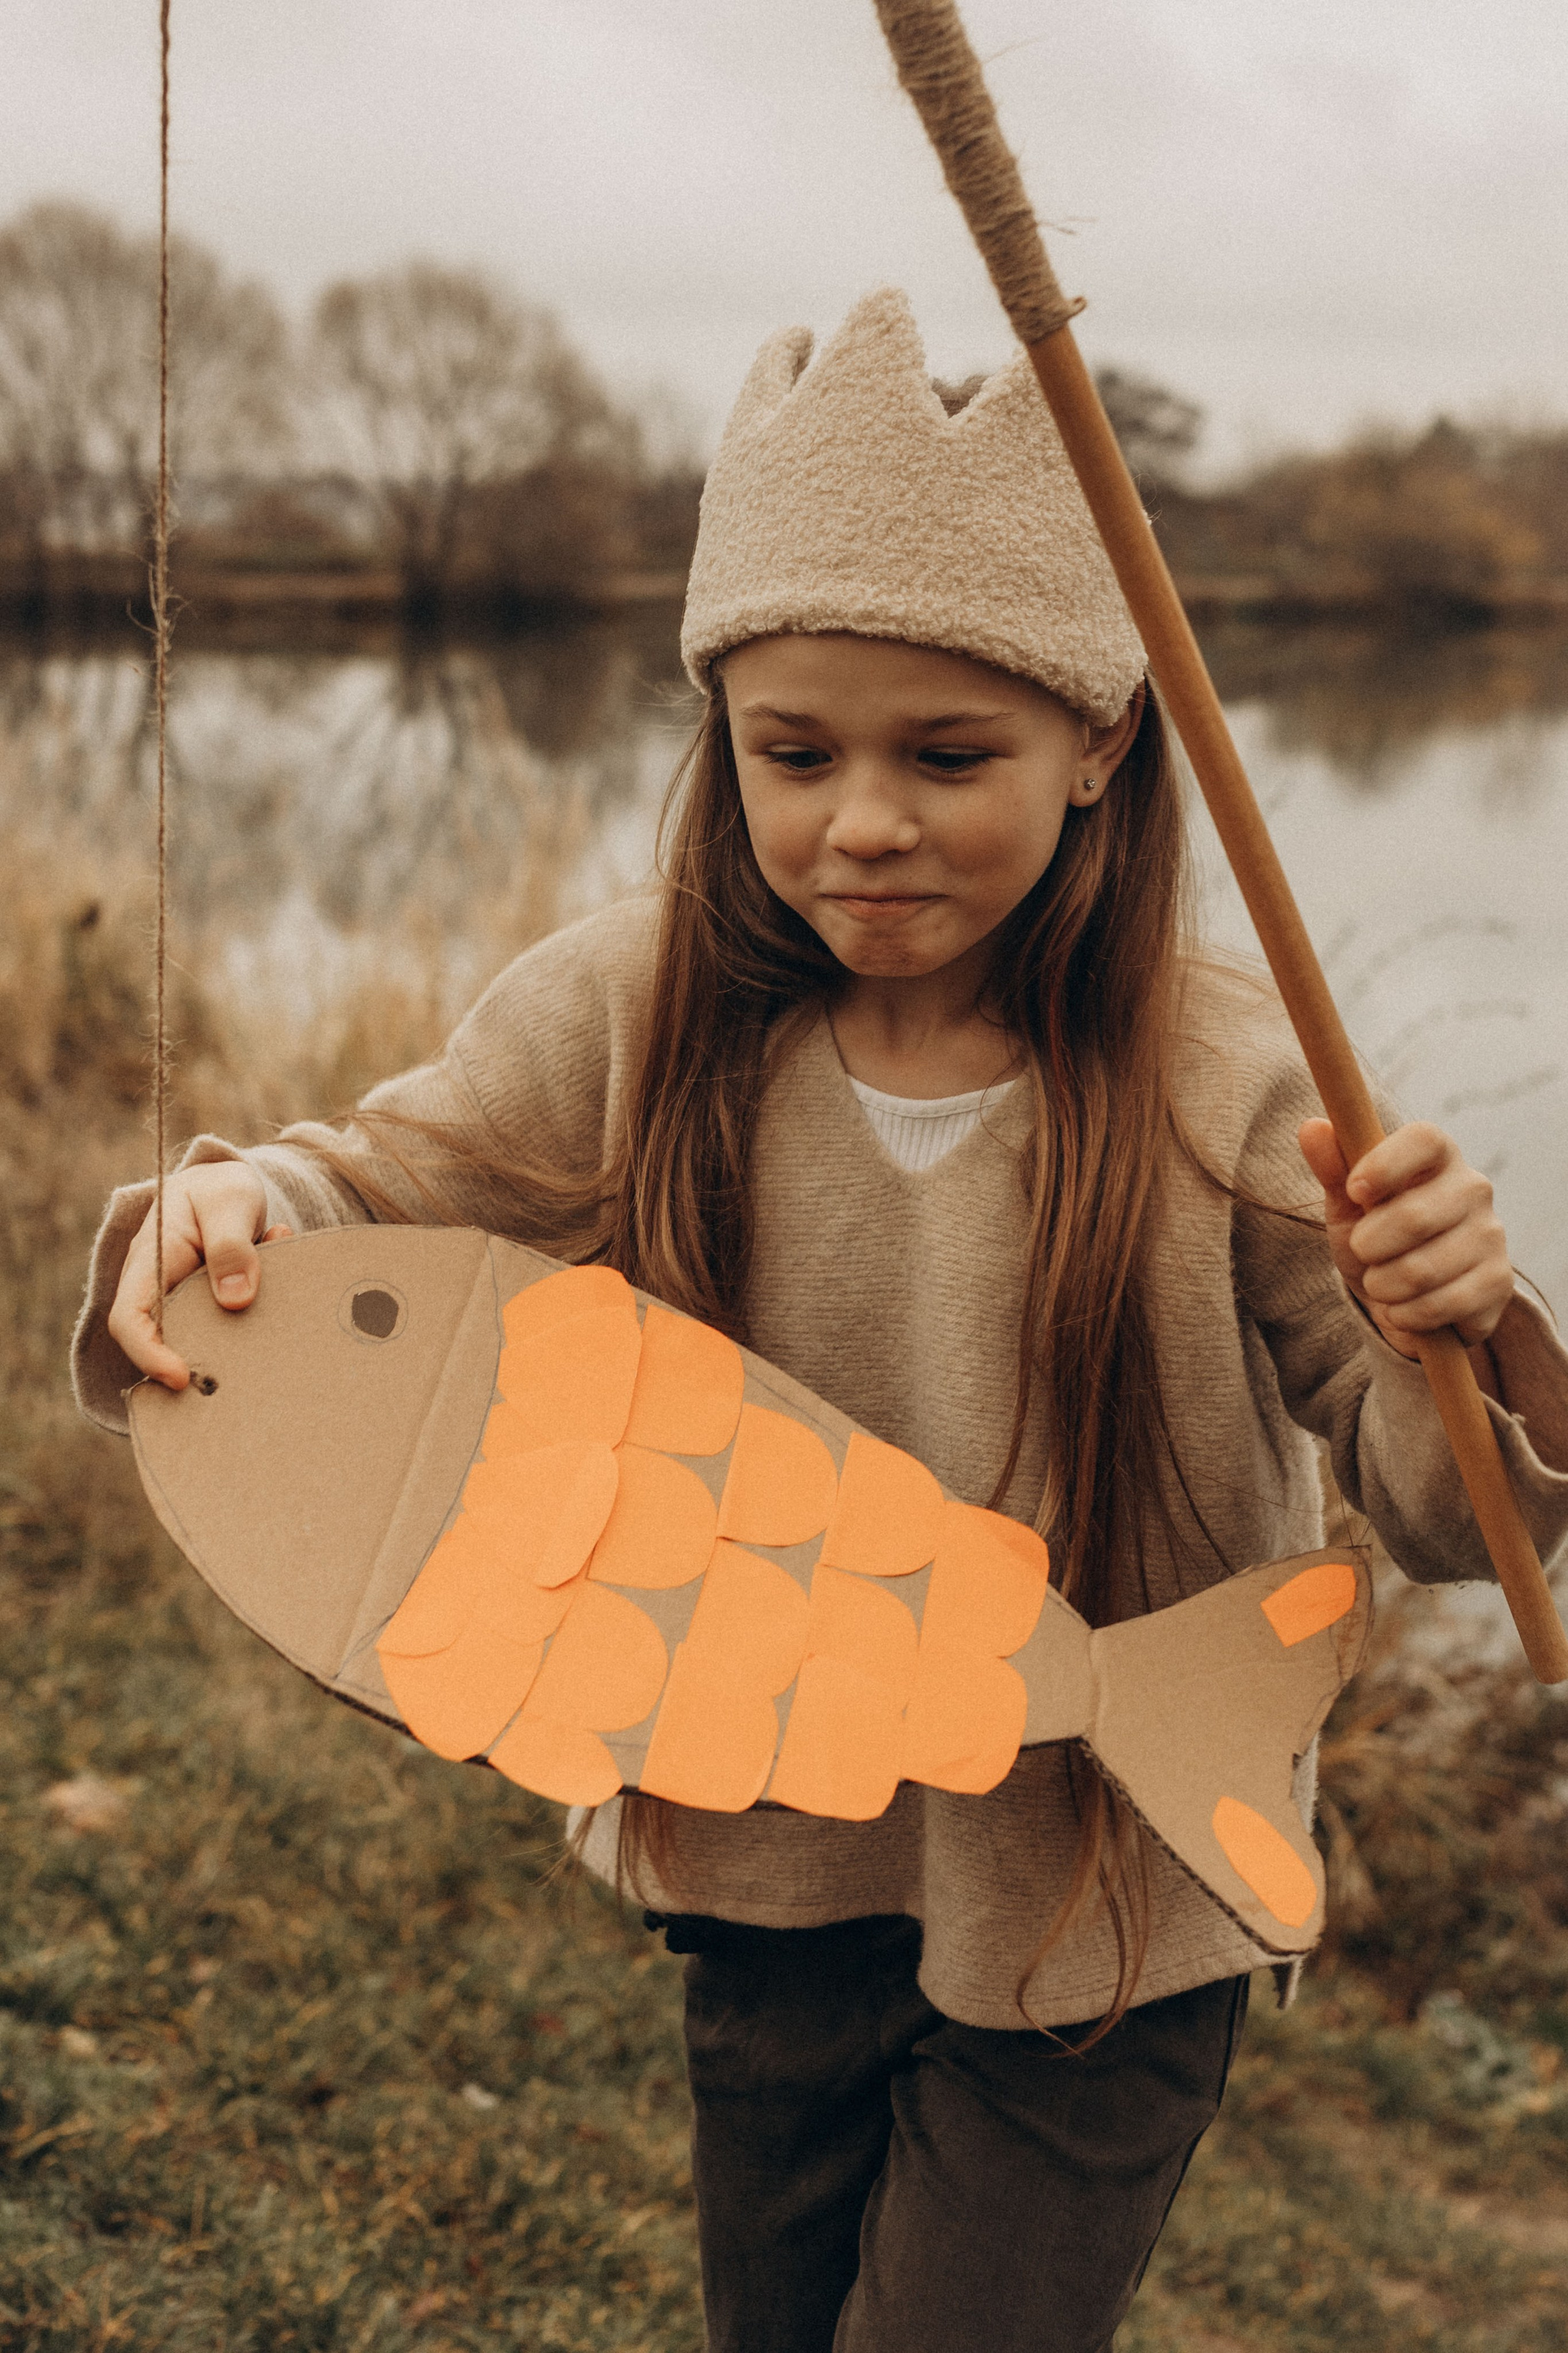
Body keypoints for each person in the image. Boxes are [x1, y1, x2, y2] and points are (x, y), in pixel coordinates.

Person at [75, 289, 1568, 2353]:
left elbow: (1444, 1506)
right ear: (726, 741)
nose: (862, 819)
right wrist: (247, 1207)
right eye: (794, 752)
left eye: (949, 754)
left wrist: (1462, 1325)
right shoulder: (632, 1007)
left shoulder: (1237, 1076)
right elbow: (384, 1184)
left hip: (1107, 1907)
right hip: (766, 1875)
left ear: (1101, 741)